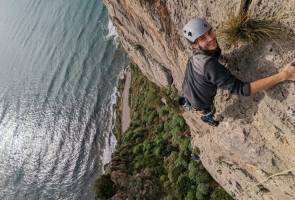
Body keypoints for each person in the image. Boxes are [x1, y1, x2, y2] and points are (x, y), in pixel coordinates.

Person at [180, 18, 295, 126]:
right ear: (194, 45)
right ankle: (208, 117)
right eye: (203, 38)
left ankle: (189, 103)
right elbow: (242, 89)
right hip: (200, 103)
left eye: (210, 32)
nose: (210, 38)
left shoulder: (195, 55)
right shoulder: (209, 65)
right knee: (209, 110)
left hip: (187, 89)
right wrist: (284, 75)